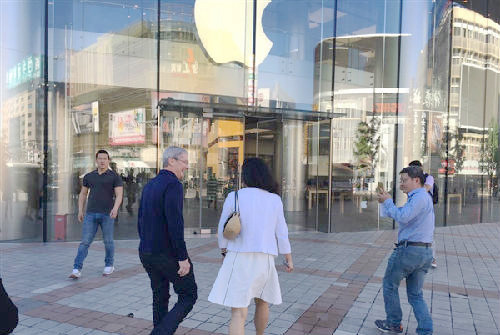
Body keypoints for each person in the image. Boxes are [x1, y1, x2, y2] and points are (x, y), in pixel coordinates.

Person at [208, 157, 294, 335]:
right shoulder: (274, 199)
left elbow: (223, 227)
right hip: (265, 258)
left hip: (239, 256)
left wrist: (223, 249)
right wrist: (288, 257)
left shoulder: (235, 196)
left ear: (245, 176)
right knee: (262, 302)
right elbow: (282, 232)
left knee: (238, 311)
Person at [138, 146, 197, 335]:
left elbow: (141, 221)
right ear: (171, 161)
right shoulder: (173, 184)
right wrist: (183, 257)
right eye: (184, 162)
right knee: (188, 295)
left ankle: (160, 330)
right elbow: (175, 223)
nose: (186, 167)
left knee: (160, 295)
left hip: (147, 251)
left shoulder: (151, 184)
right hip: (166, 254)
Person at [375, 166, 434, 335]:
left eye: (404, 180)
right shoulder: (419, 197)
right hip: (423, 252)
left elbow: (403, 216)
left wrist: (387, 202)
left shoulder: (419, 197)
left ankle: (394, 324)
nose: (401, 184)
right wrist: (384, 203)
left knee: (389, 285)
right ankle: (425, 329)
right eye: (400, 180)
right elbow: (400, 214)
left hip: (409, 252)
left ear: (416, 180)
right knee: (415, 294)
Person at [69, 150, 123, 279]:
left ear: (108, 160)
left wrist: (115, 209)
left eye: (105, 158)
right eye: (100, 158)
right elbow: (83, 194)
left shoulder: (114, 176)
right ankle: (76, 269)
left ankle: (109, 265)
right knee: (85, 242)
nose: (102, 161)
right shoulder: (89, 176)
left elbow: (119, 195)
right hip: (91, 214)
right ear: (96, 160)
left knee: (108, 241)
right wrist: (80, 210)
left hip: (107, 214)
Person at [409, 160, 438, 268]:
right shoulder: (412, 180)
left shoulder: (428, 178)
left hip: (426, 210)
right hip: (414, 208)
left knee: (429, 233)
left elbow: (426, 188)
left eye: (413, 169)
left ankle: (432, 259)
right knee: (413, 231)